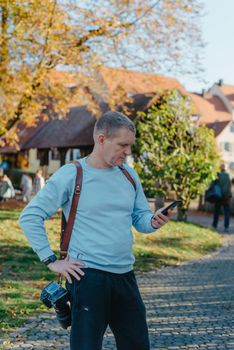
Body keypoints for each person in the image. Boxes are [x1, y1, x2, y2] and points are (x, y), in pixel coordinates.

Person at [19, 111, 174, 350]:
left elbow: (140, 218)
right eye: (123, 145)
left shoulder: (129, 174)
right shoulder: (73, 174)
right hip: (87, 278)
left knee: (138, 345)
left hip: (125, 276)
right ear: (101, 140)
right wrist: (51, 260)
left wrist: (152, 221)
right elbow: (30, 216)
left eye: (130, 146)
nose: (127, 152)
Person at [212, 164, 232, 232]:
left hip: (219, 195)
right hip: (226, 196)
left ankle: (214, 225)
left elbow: (214, 185)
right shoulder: (228, 176)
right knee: (226, 212)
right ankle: (226, 227)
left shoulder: (218, 175)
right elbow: (229, 186)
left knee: (216, 211)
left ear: (220, 168)